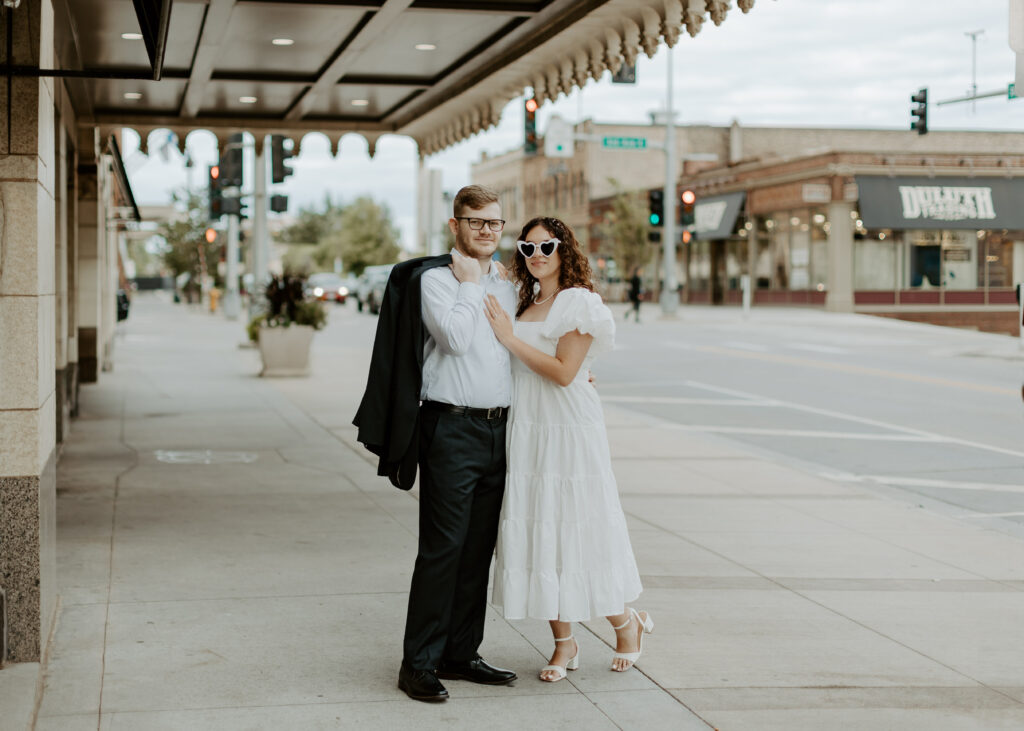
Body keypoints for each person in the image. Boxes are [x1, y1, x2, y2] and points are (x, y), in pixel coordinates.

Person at [482, 216, 652, 683]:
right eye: (527, 248)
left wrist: (510, 339)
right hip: (530, 427)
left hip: (568, 431)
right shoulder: (526, 300)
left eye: (546, 246)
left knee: (579, 530)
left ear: (564, 250)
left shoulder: (578, 301)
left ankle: (626, 623)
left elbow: (562, 372)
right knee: (542, 533)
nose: (536, 256)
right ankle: (565, 643)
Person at [382, 185, 517, 702]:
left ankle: (461, 654)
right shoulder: (436, 281)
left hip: (499, 430)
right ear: (455, 225)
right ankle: (417, 663)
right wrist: (469, 284)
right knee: (443, 549)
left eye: (494, 223)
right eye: (475, 221)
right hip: (450, 428)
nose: (486, 230)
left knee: (477, 551)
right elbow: (455, 340)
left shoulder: (507, 284)